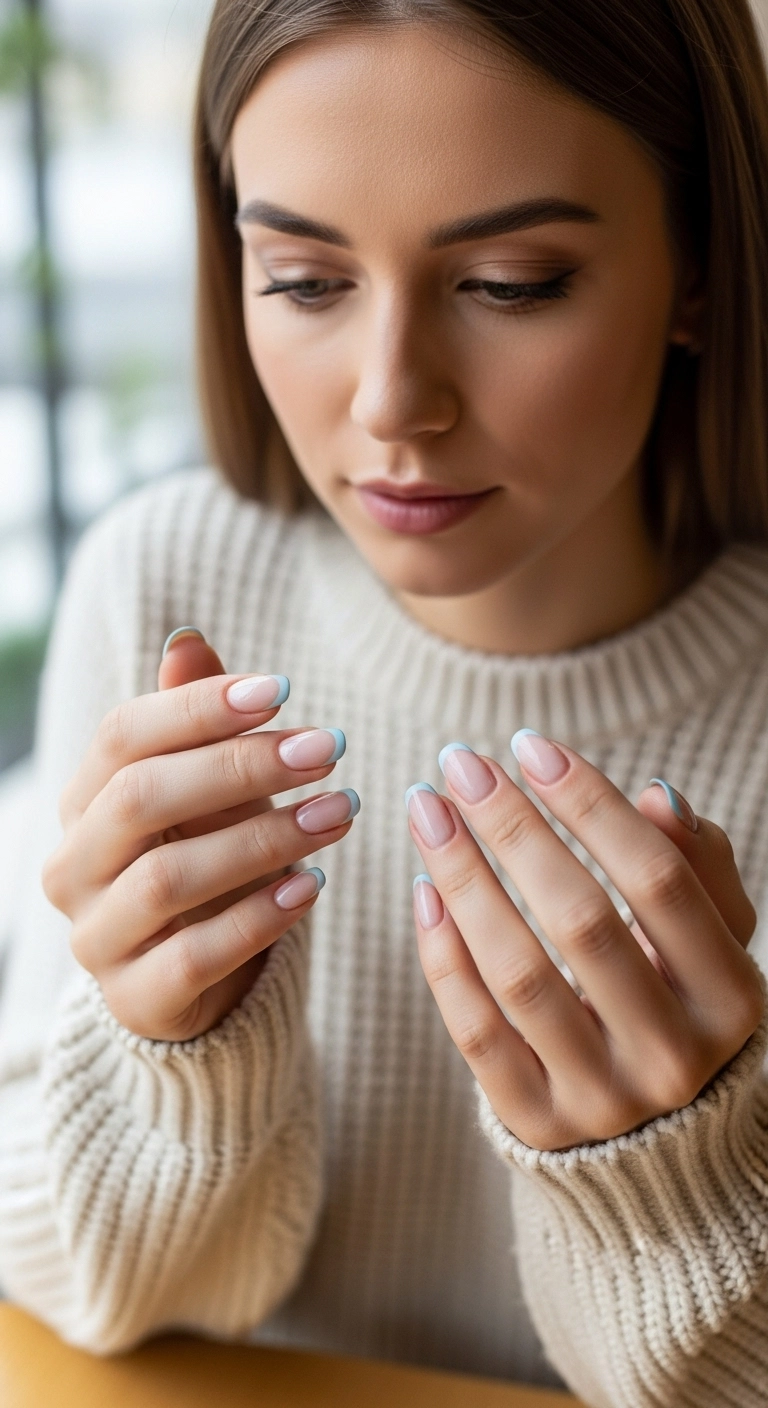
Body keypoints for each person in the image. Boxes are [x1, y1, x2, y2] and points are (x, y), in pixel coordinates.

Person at [1, 0, 768, 1402]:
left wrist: (673, 1180)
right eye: (302, 280)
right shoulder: (165, 586)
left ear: (702, 268)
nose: (392, 400)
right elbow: (90, 1303)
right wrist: (171, 1059)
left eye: (514, 281)